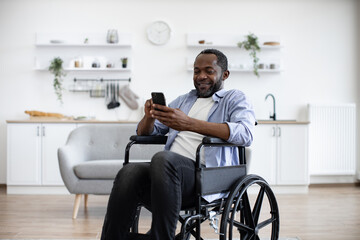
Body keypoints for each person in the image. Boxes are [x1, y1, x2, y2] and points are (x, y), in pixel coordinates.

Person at [101, 49, 256, 240]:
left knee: (164, 158)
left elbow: (245, 134)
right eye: (196, 71)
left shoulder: (234, 98)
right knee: (129, 172)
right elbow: (145, 133)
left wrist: (189, 123)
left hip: (206, 176)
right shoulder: (184, 100)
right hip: (167, 176)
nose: (201, 76)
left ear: (224, 74)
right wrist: (149, 117)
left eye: (209, 71)